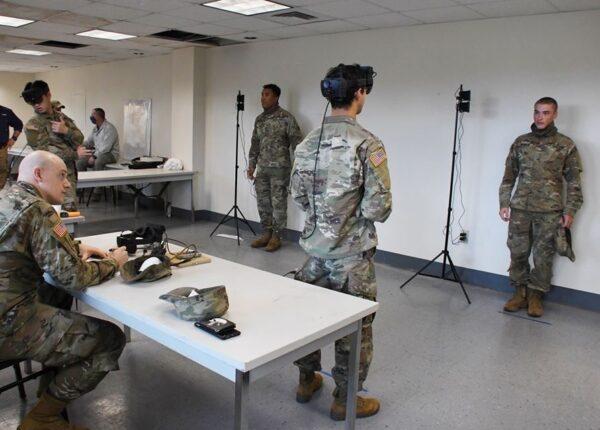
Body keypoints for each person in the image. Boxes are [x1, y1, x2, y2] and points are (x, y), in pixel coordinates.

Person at [290, 64, 392, 421]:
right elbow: (379, 207)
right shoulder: (368, 143)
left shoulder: (306, 143)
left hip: (314, 253)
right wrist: (351, 217)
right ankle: (344, 399)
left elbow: (299, 198)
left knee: (308, 321)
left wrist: (324, 221)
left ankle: (307, 380)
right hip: (352, 259)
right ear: (359, 94)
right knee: (356, 328)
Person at [0, 150, 128, 430]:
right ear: (38, 175)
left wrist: (76, 248)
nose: (68, 183)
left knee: (56, 294)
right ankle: (42, 418)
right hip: (7, 324)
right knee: (110, 339)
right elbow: (74, 277)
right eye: (61, 175)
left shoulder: (7, 197)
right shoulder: (39, 209)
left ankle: (48, 387)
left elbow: (27, 244)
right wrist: (112, 262)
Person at [499, 97, 583, 317]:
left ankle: (536, 296)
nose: (540, 117)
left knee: (543, 256)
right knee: (517, 253)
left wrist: (570, 211)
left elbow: (574, 182)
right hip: (520, 210)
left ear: (554, 114)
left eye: (546, 113)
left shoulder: (565, 145)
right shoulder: (521, 142)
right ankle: (519, 293)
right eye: (537, 112)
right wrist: (504, 203)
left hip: (549, 212)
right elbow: (509, 176)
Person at [247, 84, 302, 252]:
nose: (263, 97)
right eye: (262, 94)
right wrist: (251, 165)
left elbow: (297, 145)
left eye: (267, 94)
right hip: (262, 169)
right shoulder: (260, 119)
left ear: (276, 97)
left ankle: (277, 237)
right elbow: (255, 144)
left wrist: (297, 169)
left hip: (280, 170)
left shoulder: (286, 118)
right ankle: (266, 233)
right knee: (263, 203)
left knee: (278, 204)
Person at [22, 81, 91, 211]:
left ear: (48, 95)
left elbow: (79, 139)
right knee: (52, 219)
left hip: (68, 176)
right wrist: (75, 154)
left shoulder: (60, 117)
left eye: (39, 100)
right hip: (49, 181)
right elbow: (45, 157)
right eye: (33, 103)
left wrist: (66, 131)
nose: (36, 105)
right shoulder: (33, 125)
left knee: (70, 216)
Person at [76, 108, 120, 202]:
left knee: (98, 161)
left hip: (110, 154)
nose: (91, 116)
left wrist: (94, 156)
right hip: (97, 153)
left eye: (93, 114)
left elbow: (105, 148)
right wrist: (79, 146)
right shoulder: (95, 128)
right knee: (80, 161)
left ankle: (97, 191)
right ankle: (81, 188)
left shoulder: (109, 128)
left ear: (99, 116)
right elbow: (89, 142)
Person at [0, 104, 23, 189]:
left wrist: (13, 139)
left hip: (1, 149)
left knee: (2, 171)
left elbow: (19, 125)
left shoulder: (6, 112)